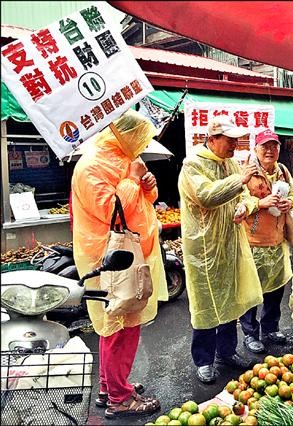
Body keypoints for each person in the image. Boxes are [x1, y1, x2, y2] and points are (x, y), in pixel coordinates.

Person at [71, 110, 167, 418]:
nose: (143, 143)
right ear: (123, 134)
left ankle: (110, 385)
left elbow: (143, 202)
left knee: (119, 325)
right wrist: (133, 179)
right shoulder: (91, 166)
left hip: (132, 254)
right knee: (118, 328)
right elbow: (112, 212)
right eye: (139, 137)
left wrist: (147, 183)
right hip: (109, 258)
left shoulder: (124, 159)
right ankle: (119, 398)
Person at [178, 115, 263, 383]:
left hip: (230, 243)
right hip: (203, 250)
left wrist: (244, 206)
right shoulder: (193, 165)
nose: (234, 145)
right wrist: (241, 181)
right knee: (206, 303)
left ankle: (227, 352)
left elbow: (245, 196)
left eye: (236, 140)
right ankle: (203, 359)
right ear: (212, 139)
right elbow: (207, 196)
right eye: (229, 140)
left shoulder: (229, 165)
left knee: (230, 299)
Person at [239, 129, 293, 353]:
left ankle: (270, 328)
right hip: (253, 242)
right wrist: (261, 203)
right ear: (256, 148)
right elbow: (238, 200)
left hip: (278, 241)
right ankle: (250, 333)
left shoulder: (282, 171)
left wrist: (289, 204)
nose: (270, 151)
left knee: (276, 290)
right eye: (265, 146)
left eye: (274, 146)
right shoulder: (247, 171)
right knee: (251, 292)